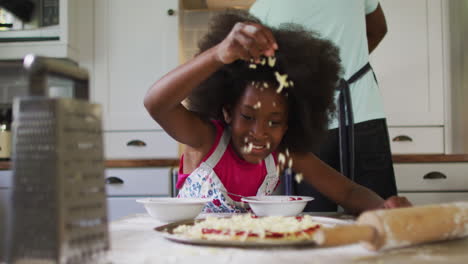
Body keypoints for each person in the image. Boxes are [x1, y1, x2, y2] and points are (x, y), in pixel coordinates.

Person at [144, 10, 410, 214]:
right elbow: (156, 103)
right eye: (248, 116)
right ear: (227, 112)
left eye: (274, 122)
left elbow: (348, 192)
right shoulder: (205, 139)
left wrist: (383, 208)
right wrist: (218, 55)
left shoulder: (282, 151)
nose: (259, 132)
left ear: (288, 125)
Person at [250, 0, 399, 212]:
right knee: (381, 217)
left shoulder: (261, 8)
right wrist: (336, 69)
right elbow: (377, 30)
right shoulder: (261, 8)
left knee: (311, 223)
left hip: (306, 123)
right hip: (358, 112)